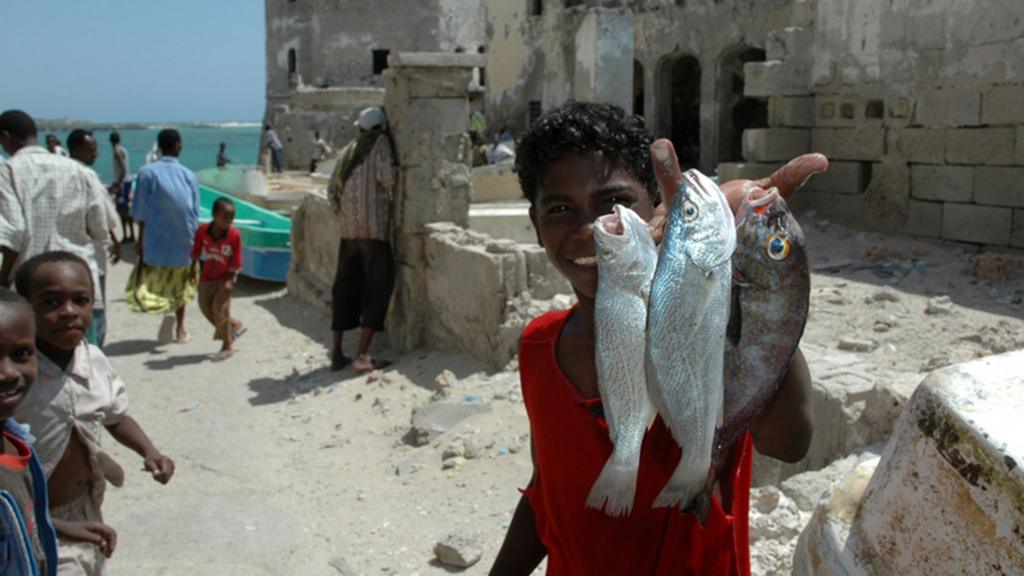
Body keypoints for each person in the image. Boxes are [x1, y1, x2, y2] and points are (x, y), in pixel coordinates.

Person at [489, 102, 827, 575]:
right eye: (561, 208)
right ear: (535, 222)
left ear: (656, 206)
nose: (591, 229)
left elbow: (789, 440)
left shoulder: (707, 336)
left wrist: (746, 279)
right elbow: (549, 488)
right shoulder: (538, 346)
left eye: (614, 203)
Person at [13, 252, 173, 575]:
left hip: (86, 507)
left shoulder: (94, 360)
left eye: (81, 300)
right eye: (51, 302)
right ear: (25, 307)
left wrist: (149, 451)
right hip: (33, 512)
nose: (68, 312)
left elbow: (116, 416)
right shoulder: (18, 376)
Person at [0, 110, 110, 346]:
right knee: (86, 360)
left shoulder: (8, 171)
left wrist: (3, 280)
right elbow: (100, 230)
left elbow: (13, 235)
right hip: (79, 283)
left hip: (35, 291)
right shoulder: (81, 171)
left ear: (6, 137)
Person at [326, 107, 397, 373]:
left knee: (344, 289)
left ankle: (336, 353)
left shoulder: (348, 151)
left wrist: (346, 216)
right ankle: (362, 355)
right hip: (374, 231)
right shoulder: (379, 145)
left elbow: (332, 189)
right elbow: (387, 178)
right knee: (376, 288)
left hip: (348, 233)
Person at [129, 128, 200, 343]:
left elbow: (140, 211)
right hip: (183, 236)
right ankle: (180, 328)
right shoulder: (189, 174)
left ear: (159, 147)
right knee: (181, 283)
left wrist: (140, 240)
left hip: (156, 237)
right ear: (178, 145)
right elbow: (194, 211)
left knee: (158, 279)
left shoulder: (146, 173)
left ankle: (166, 311)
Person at [67, 129, 122, 348]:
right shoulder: (87, 177)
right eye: (92, 149)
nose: (97, 153)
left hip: (62, 258)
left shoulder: (58, 172)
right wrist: (113, 241)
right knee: (94, 313)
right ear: (77, 150)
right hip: (89, 258)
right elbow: (103, 219)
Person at [190, 197, 244, 360]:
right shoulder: (203, 230)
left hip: (225, 277)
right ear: (214, 215)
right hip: (207, 275)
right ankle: (233, 326)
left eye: (231, 218)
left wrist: (230, 280)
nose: (228, 221)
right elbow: (196, 251)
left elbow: (236, 260)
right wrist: (192, 270)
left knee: (219, 309)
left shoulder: (234, 235)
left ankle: (227, 345)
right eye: (224, 217)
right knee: (205, 306)